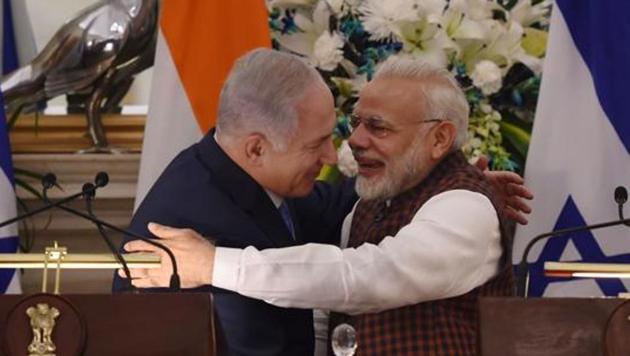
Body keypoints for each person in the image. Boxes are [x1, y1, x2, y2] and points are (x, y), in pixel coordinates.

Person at [122, 55, 532, 355]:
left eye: (378, 127)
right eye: (356, 122)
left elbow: (369, 276)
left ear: (439, 140)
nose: (346, 148)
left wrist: (213, 264)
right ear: (256, 149)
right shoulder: (190, 220)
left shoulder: (463, 208)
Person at [113, 49, 357, 355]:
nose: (331, 157)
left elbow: (334, 207)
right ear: (256, 149)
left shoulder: (235, 171)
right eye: (316, 144)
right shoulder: (201, 230)